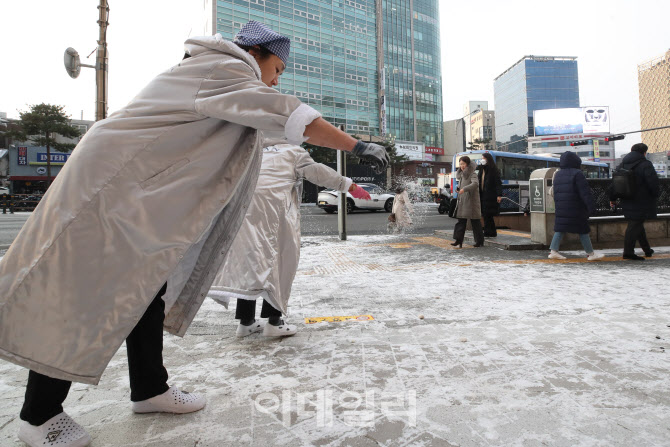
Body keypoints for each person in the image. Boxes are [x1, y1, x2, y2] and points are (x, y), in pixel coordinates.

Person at [0, 21, 389, 447]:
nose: (278, 78)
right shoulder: (220, 68)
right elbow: (284, 111)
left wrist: (346, 180)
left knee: (145, 289)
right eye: (277, 67)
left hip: (138, 198)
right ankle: (39, 415)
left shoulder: (222, 82)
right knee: (85, 291)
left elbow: (277, 126)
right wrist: (355, 146)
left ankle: (149, 388)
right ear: (255, 53)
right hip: (110, 191)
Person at [207, 140, 358, 337]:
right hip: (275, 216)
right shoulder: (292, 151)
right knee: (280, 265)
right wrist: (348, 185)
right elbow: (318, 172)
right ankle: (274, 322)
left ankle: (246, 322)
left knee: (250, 263)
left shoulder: (252, 148)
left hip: (243, 212)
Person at [548, 151, 604, 261]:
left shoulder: (558, 174)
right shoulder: (577, 174)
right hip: (576, 207)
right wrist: (591, 207)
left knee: (560, 228)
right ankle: (591, 254)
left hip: (561, 206)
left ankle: (553, 251)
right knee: (583, 229)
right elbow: (585, 193)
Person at [609, 143, 660, 261]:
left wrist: (612, 198)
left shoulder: (622, 164)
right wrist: (655, 195)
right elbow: (653, 182)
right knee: (634, 225)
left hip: (626, 199)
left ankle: (647, 250)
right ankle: (628, 252)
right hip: (642, 200)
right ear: (644, 152)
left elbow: (614, 184)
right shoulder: (645, 164)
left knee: (637, 223)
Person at [452, 156, 485, 248]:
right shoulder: (462, 174)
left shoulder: (472, 174)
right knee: (461, 221)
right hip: (463, 201)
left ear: (468, 164)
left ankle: (479, 241)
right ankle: (458, 240)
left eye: (463, 164)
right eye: (460, 164)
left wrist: (464, 189)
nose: (462, 166)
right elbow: (463, 186)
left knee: (475, 223)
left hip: (472, 202)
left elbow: (475, 184)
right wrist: (458, 189)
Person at [477, 153, 503, 237]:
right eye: (482, 158)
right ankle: (491, 232)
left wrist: (499, 195)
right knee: (486, 214)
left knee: (488, 214)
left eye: (484, 158)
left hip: (490, 195)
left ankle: (489, 232)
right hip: (482, 194)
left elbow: (498, 183)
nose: (482, 160)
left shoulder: (493, 170)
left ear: (488, 159)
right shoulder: (482, 169)